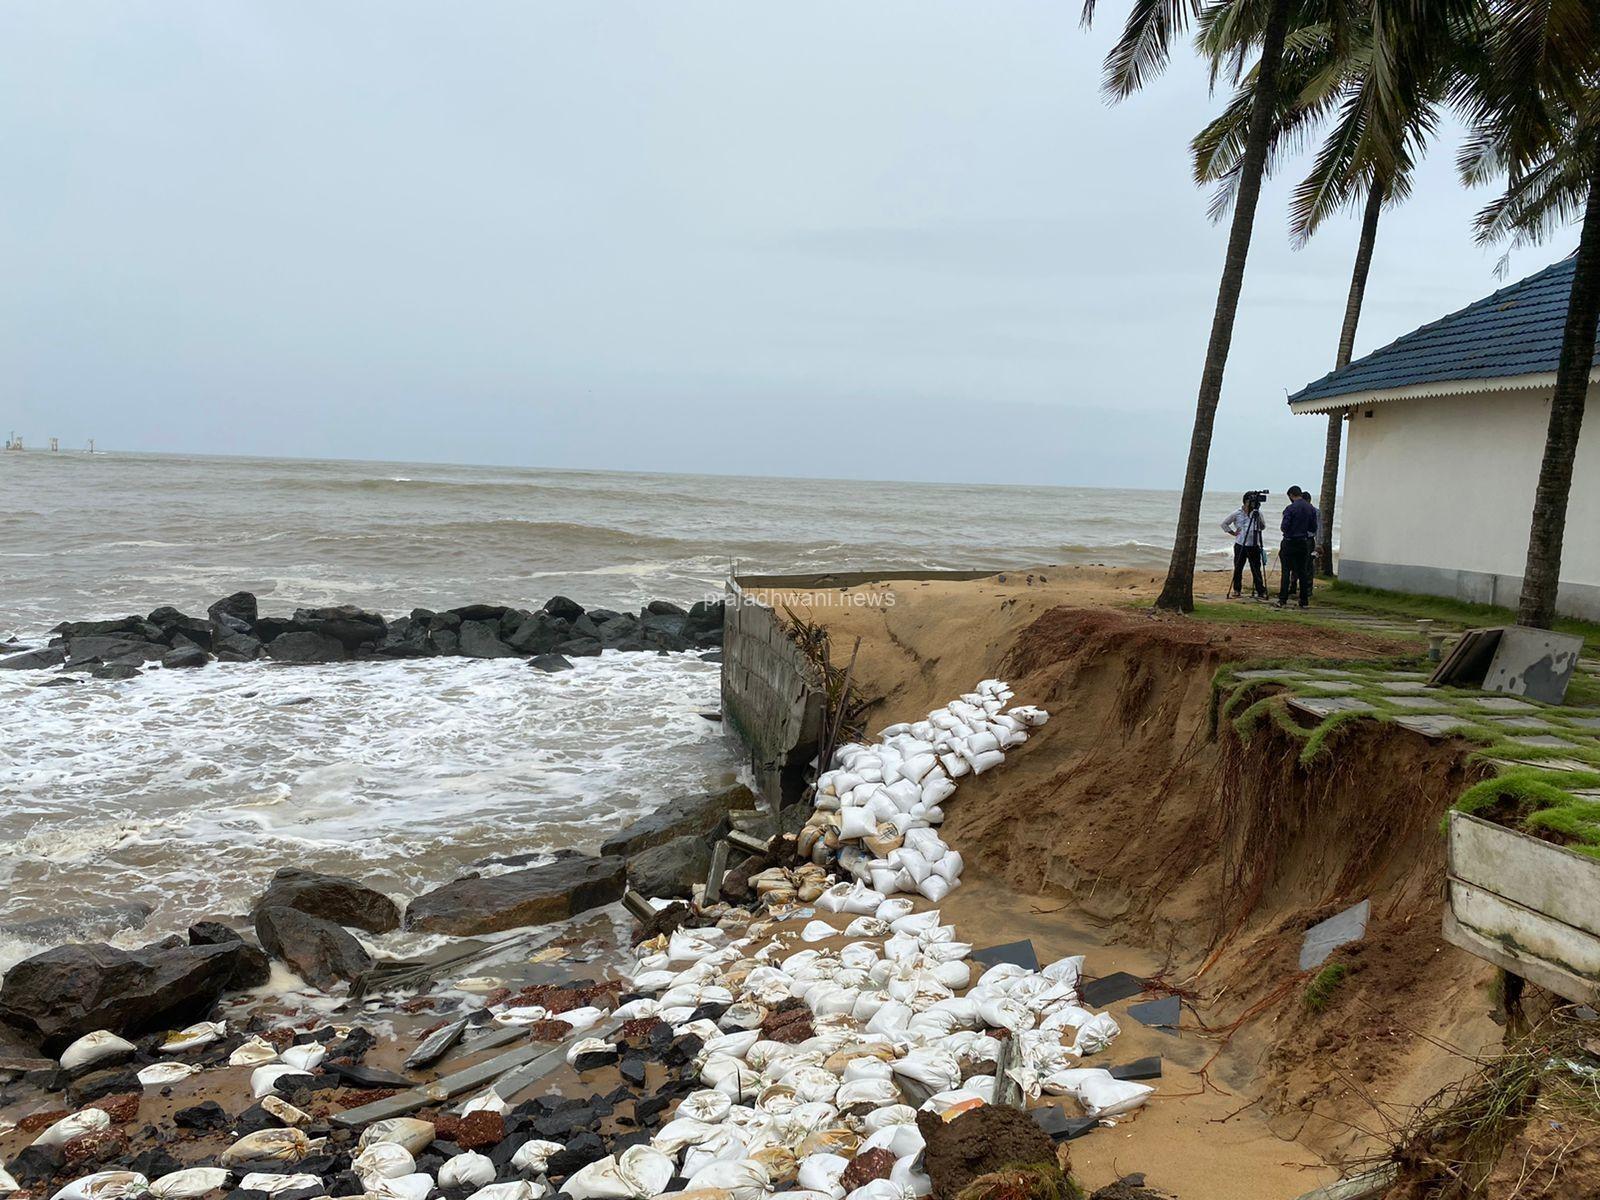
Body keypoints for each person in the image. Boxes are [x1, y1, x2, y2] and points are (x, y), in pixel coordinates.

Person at [1277, 486, 1320, 608]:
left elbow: (1284, 527)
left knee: (1286, 571)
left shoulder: (1290, 508)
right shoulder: (1310, 508)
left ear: (1291, 495)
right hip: (1303, 542)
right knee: (1302, 571)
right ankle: (1304, 600)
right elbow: (1313, 528)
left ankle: (1283, 599)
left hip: (1289, 541)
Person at [1221, 492, 1267, 599]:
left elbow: (1263, 527)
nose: (1254, 504)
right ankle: (1237, 590)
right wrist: (1233, 533)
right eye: (1252, 502)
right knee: (1238, 568)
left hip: (1254, 544)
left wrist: (1257, 515)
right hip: (1240, 544)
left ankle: (1260, 590)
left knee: (1256, 569)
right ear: (1246, 502)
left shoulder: (1258, 513)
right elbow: (1224, 524)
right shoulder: (1237, 513)